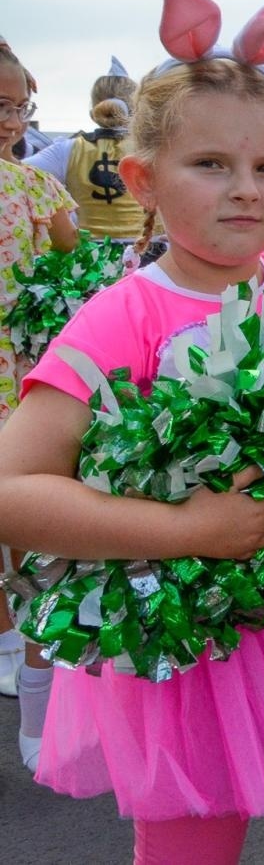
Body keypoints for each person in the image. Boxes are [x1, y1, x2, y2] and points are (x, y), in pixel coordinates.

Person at [0, 0, 264, 863]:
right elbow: (12, 492)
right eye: (210, 164)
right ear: (142, 177)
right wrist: (188, 528)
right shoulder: (121, 319)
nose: (245, 190)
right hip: (185, 668)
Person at [0, 43, 78, 714]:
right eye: (0, 105)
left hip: (17, 367)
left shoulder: (37, 186)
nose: (12, 120)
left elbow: (67, 262)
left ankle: (21, 627)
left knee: (19, 502)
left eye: (20, 107)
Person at [24, 57, 149, 241]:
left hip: (89, 262)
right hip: (145, 255)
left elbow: (18, 173)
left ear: (94, 106)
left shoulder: (66, 150)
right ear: (136, 107)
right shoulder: (151, 150)